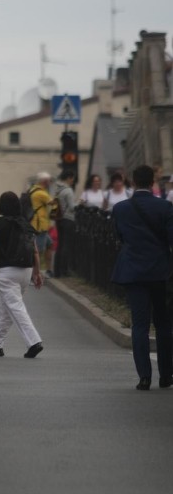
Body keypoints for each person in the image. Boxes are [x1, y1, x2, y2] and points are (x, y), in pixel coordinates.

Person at [110, 165, 173, 390]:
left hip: (133, 272)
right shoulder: (166, 207)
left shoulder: (120, 208)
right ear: (152, 181)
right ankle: (166, 375)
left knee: (140, 325)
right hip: (160, 272)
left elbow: (118, 236)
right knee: (164, 324)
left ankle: (144, 377)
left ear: (133, 182)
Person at [0, 191, 44, 358]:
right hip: (25, 271)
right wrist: (37, 272)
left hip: (5, 272)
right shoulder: (25, 224)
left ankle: (34, 342)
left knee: (15, 307)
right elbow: (35, 251)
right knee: (5, 308)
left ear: (0, 206)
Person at [28, 172, 55, 278]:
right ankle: (33, 275)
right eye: (49, 181)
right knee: (38, 251)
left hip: (37, 225)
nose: (50, 183)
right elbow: (52, 202)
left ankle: (48, 270)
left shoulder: (34, 189)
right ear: (45, 181)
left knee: (49, 245)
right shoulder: (41, 193)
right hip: (39, 226)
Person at [53, 170, 76, 278]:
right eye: (72, 178)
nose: (73, 181)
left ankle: (57, 270)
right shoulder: (68, 191)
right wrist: (80, 203)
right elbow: (72, 207)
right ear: (68, 178)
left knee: (60, 245)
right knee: (66, 245)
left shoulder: (58, 190)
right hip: (68, 219)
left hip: (59, 219)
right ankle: (64, 270)